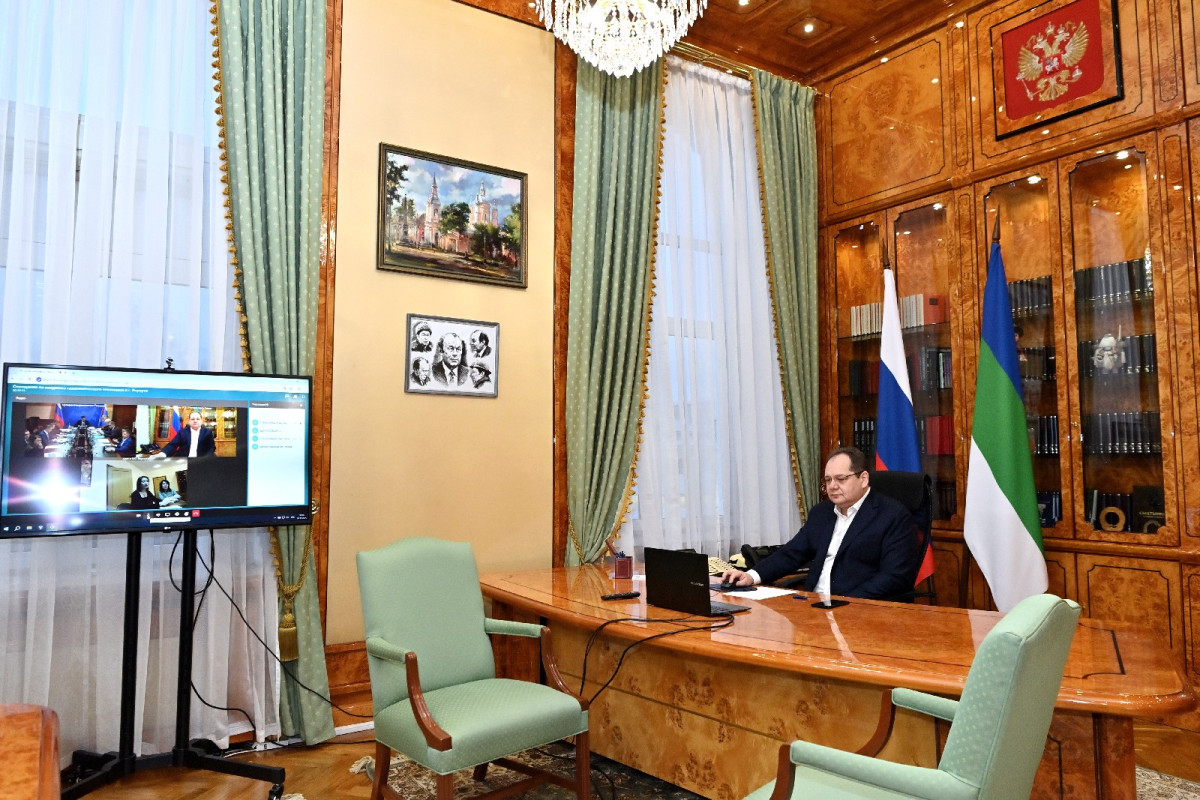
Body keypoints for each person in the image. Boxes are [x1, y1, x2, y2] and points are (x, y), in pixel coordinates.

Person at [719, 446, 921, 600]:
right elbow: (791, 553)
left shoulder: (893, 516)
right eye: (828, 480)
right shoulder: (821, 513)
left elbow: (894, 577)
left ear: (864, 478)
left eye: (841, 479)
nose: (832, 486)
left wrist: (845, 602)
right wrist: (751, 576)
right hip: (814, 606)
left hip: (860, 610)